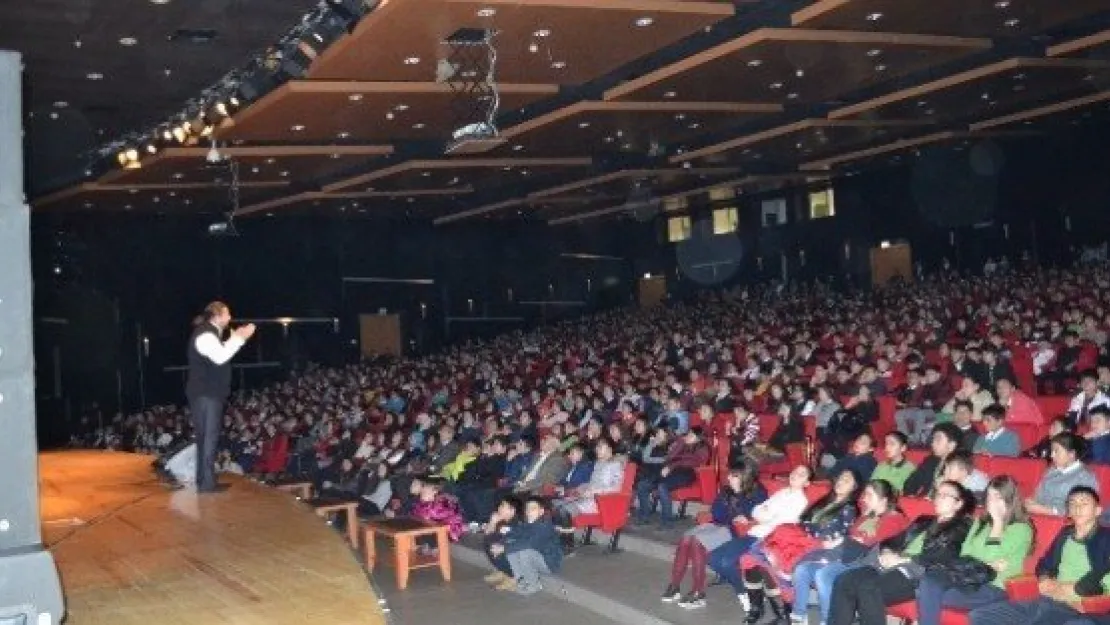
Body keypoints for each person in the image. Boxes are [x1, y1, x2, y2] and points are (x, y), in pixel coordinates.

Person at [826, 481, 977, 625]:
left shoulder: (962, 527)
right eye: (938, 494)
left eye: (945, 495)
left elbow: (944, 555)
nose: (938, 498)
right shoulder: (924, 520)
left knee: (868, 588)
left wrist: (903, 560)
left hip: (916, 570)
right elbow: (895, 539)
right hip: (890, 564)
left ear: (959, 504)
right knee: (844, 580)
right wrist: (886, 550)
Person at [968, 486, 1110, 625]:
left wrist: (1077, 593)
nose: (1077, 508)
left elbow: (1104, 580)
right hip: (1050, 600)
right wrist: (1044, 580)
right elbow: (1044, 564)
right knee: (982, 615)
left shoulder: (1106, 538)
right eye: (1072, 503)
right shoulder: (1065, 534)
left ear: (1097, 511)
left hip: (1081, 606)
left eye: (1084, 503)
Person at [740, 468, 862, 624]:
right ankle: (777, 611)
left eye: (846, 480)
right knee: (763, 550)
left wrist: (813, 530)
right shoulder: (825, 501)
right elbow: (804, 521)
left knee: (780, 537)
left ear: (854, 487)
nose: (840, 482)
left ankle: (788, 609)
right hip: (805, 538)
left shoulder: (849, 509)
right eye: (840, 478)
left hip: (818, 545)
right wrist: (811, 528)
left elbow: (837, 533)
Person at [914, 476, 1033, 625]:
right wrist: (986, 563)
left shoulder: (1021, 529)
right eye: (989, 496)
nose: (992, 502)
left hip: (994, 586)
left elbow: (991, 553)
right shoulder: (980, 522)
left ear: (1010, 500)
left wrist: (997, 523)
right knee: (928, 582)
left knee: (926, 593)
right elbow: (965, 553)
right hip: (968, 576)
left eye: (998, 497)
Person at [790, 479, 909, 625]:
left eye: (869, 495)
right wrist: (847, 540)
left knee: (824, 574)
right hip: (847, 554)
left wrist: (848, 540)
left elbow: (874, 543)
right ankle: (798, 617)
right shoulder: (868, 515)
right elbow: (852, 534)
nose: (864, 498)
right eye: (865, 494)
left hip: (865, 562)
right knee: (803, 569)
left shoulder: (895, 518)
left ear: (883, 499)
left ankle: (828, 620)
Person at [662, 462, 767, 609]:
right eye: (730, 474)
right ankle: (674, 586)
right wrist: (730, 499)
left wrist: (738, 500)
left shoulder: (758, 492)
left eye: (734, 476)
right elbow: (716, 513)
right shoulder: (726, 490)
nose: (729, 478)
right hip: (718, 526)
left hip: (736, 530)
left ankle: (698, 593)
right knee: (686, 538)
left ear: (746, 477)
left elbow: (757, 515)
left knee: (697, 541)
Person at [708, 465, 813, 605]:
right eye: (794, 471)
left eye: (801, 474)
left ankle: (747, 597)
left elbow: (779, 522)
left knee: (726, 561)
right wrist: (767, 513)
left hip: (768, 539)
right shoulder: (782, 492)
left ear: (807, 483)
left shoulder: (801, 500)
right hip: (755, 532)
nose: (795, 475)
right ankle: (746, 593)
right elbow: (755, 512)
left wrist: (766, 512)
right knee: (713, 558)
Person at [185, 301, 255, 493]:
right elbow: (220, 357)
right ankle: (207, 483)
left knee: (204, 437)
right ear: (216, 316)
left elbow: (217, 353)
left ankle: (204, 480)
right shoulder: (206, 333)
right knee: (209, 437)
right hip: (206, 394)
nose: (230, 317)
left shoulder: (209, 333)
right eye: (227, 314)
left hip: (204, 393)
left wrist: (232, 340)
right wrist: (240, 338)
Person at [491, 497, 563, 595]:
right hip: (537, 559)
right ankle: (521, 579)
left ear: (541, 511)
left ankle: (534, 585)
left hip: (549, 563)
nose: (529, 511)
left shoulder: (544, 525)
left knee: (525, 551)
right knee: (511, 543)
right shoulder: (529, 523)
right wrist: (501, 543)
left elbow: (530, 543)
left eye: (533, 508)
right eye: (527, 508)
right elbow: (515, 533)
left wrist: (504, 548)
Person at [1026, 433, 1100, 516]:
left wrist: (1047, 510)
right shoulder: (1051, 471)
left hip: (1063, 522)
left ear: (1071, 454)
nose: (1052, 455)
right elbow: (1037, 496)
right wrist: (1031, 502)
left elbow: (1084, 510)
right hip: (1040, 515)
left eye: (1056, 451)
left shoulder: (1085, 477)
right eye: (1052, 451)